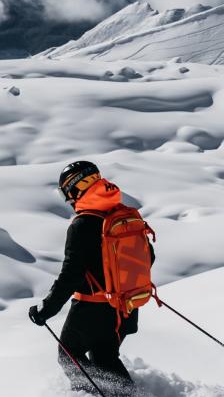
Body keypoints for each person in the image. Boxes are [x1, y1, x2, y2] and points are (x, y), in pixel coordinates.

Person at [28, 161, 142, 395]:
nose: (68, 200)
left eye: (66, 193)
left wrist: (45, 310)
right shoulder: (121, 213)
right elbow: (147, 257)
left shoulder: (83, 224)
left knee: (69, 355)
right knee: (104, 356)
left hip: (92, 308)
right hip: (126, 305)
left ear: (75, 188)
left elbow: (71, 274)